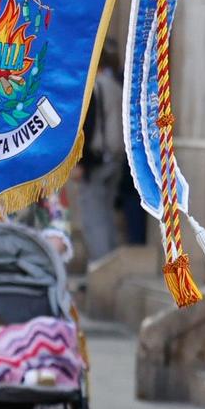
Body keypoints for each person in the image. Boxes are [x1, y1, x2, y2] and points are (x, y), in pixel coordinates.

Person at [75, 46, 125, 262]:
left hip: (97, 158)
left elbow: (88, 125)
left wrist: (81, 161)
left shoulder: (95, 87)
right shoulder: (116, 86)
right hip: (116, 156)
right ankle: (112, 261)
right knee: (106, 213)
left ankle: (101, 264)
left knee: (94, 217)